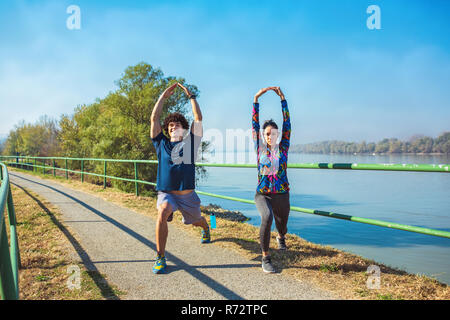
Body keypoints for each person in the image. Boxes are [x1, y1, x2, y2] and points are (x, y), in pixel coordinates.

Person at [150, 82, 211, 274]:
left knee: (195, 220)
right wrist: (162, 97)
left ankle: (206, 227)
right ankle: (160, 257)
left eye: (176, 124)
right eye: (170, 125)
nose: (172, 127)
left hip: (187, 196)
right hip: (166, 193)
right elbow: (154, 119)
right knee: (163, 211)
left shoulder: (191, 143)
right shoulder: (161, 144)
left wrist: (191, 96)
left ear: (183, 128)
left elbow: (198, 117)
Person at [252, 86, 291, 273]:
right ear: (263, 135)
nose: (270, 136)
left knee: (282, 224)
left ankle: (281, 237)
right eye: (267, 133)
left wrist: (283, 99)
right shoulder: (259, 148)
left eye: (273, 133)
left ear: (277, 135)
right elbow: (253, 124)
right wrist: (256, 99)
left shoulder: (283, 147)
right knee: (266, 218)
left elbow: (288, 123)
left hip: (282, 193)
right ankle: (265, 257)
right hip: (263, 194)